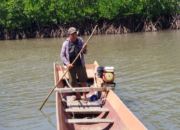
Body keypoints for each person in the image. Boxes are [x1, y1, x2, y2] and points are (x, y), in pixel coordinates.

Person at [61, 27, 88, 102]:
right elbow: (62, 55)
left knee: (83, 80)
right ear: (69, 35)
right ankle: (78, 95)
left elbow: (85, 52)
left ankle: (84, 96)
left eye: (75, 33)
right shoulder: (66, 43)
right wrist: (67, 63)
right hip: (71, 66)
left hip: (80, 64)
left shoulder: (80, 40)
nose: (74, 35)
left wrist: (84, 49)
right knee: (73, 82)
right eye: (72, 34)